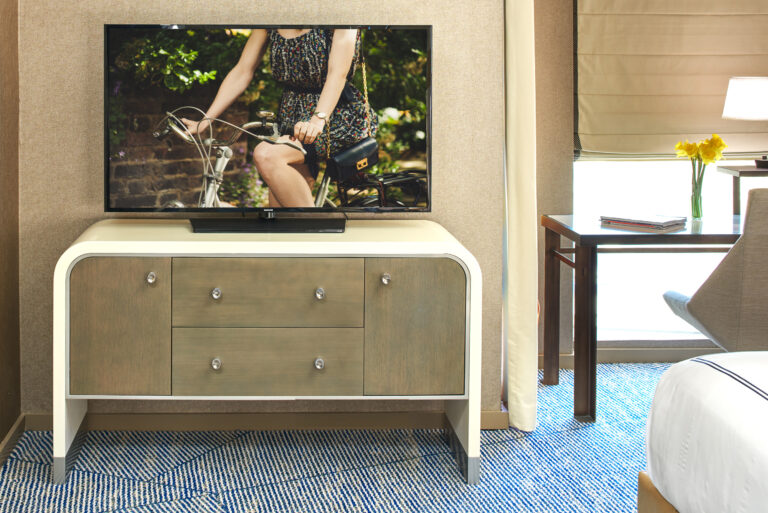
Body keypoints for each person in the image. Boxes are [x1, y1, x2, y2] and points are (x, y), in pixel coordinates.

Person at [182, 28, 377, 208]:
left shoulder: (338, 14)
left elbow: (337, 74)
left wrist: (317, 120)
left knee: (266, 154)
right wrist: (206, 121)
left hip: (335, 114)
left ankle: (317, 234)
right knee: (282, 213)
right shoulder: (272, 20)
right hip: (291, 115)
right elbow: (243, 71)